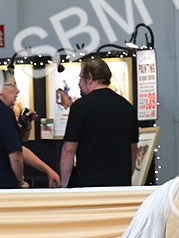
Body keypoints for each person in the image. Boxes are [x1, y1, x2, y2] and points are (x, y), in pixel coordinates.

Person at [59, 56, 139, 188]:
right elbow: (133, 150)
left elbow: (69, 149)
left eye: (80, 78)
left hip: (89, 186)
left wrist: (64, 185)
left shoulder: (80, 107)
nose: (79, 83)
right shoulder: (127, 107)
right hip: (120, 186)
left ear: (89, 78)